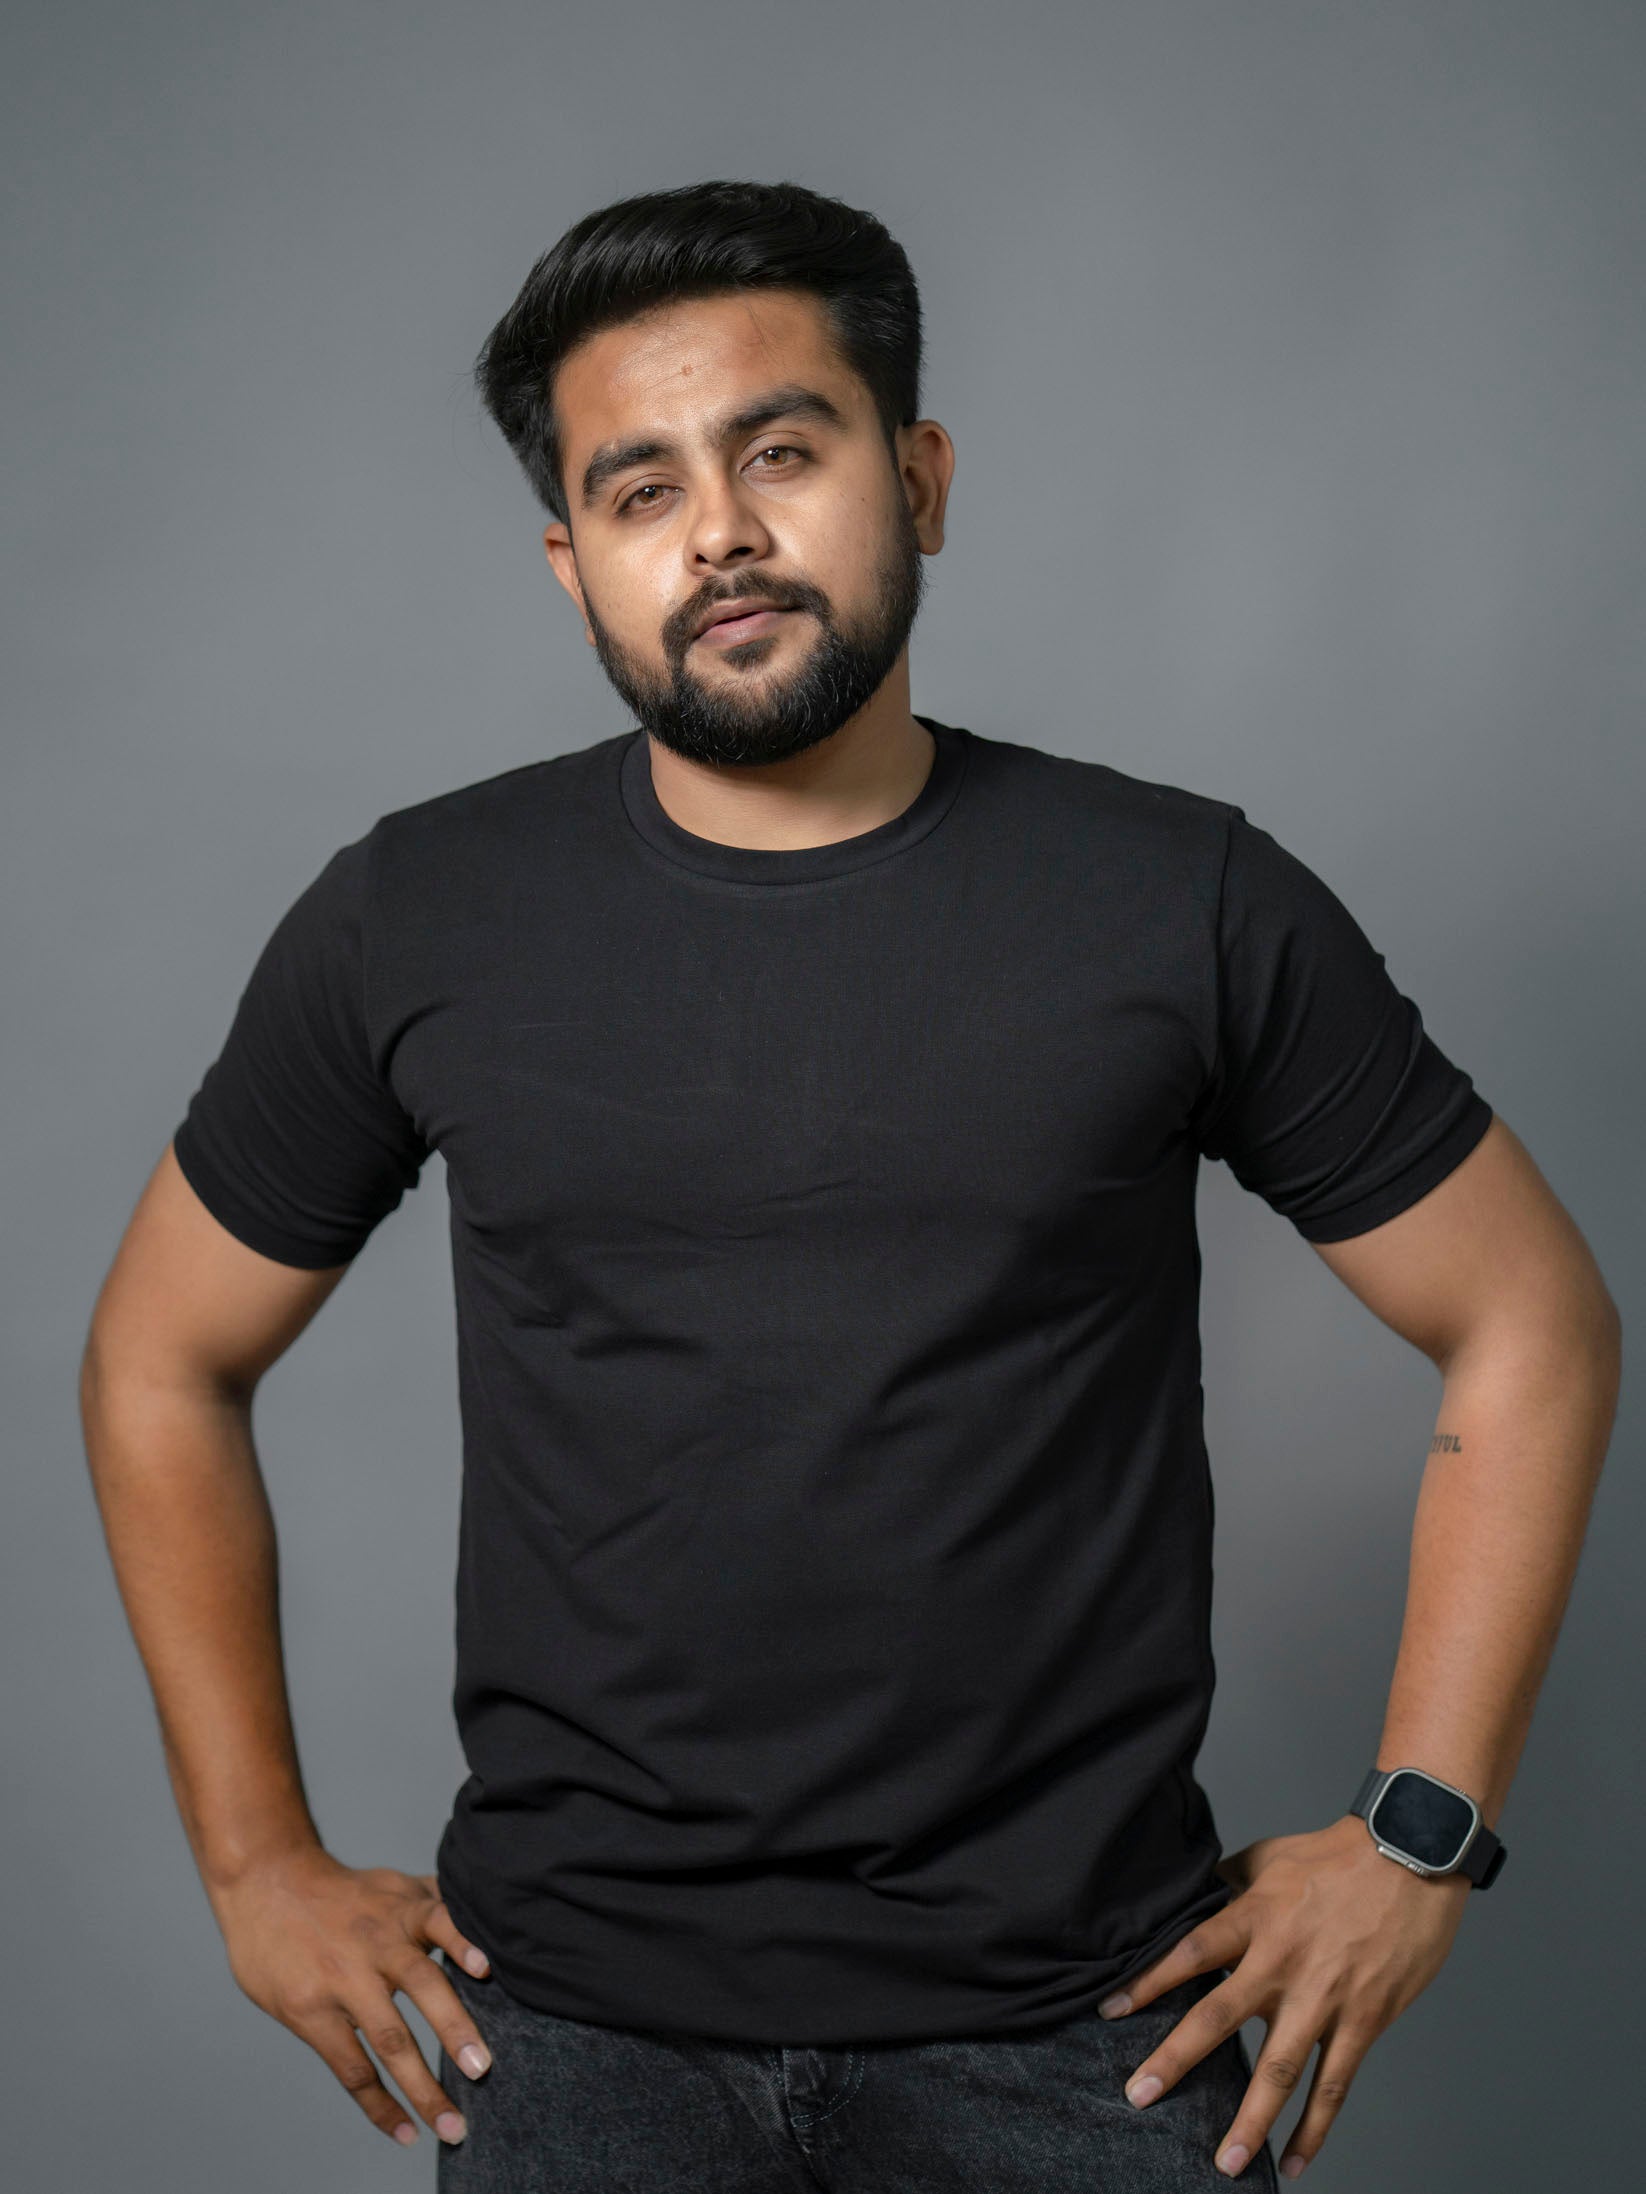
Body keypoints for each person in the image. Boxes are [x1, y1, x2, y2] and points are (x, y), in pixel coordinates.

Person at [80, 178, 1620, 2192]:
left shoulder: (1177, 900)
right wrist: (253, 1857)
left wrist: (1423, 1827)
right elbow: (157, 1362)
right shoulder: (414, 916)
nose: (716, 529)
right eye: (638, 492)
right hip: (567, 2048)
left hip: (1086, 2043)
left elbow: (1529, 1320)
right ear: (573, 566)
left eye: (779, 452)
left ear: (919, 477)